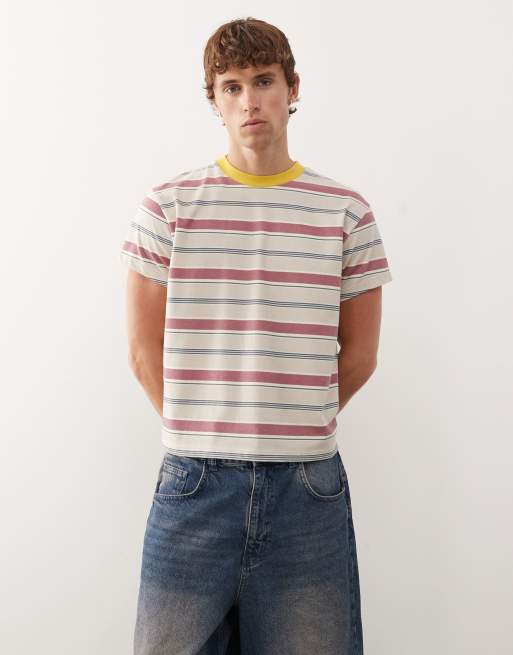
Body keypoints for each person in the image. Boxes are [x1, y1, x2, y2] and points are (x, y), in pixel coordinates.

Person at [120, 16, 392, 655]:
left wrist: (295, 420)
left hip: (306, 490)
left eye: (264, 81)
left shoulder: (345, 212)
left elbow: (360, 355)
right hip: (194, 485)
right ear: (214, 101)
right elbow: (141, 351)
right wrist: (204, 428)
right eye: (232, 87)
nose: (250, 101)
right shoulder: (168, 208)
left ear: (292, 88)